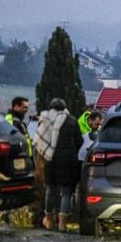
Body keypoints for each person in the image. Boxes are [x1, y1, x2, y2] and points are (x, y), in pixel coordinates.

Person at [34, 98, 82, 232]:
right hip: (67, 161)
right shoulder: (71, 121)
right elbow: (79, 140)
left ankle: (48, 220)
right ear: (65, 107)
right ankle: (62, 224)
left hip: (50, 159)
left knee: (50, 189)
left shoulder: (45, 120)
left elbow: (39, 141)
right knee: (66, 191)